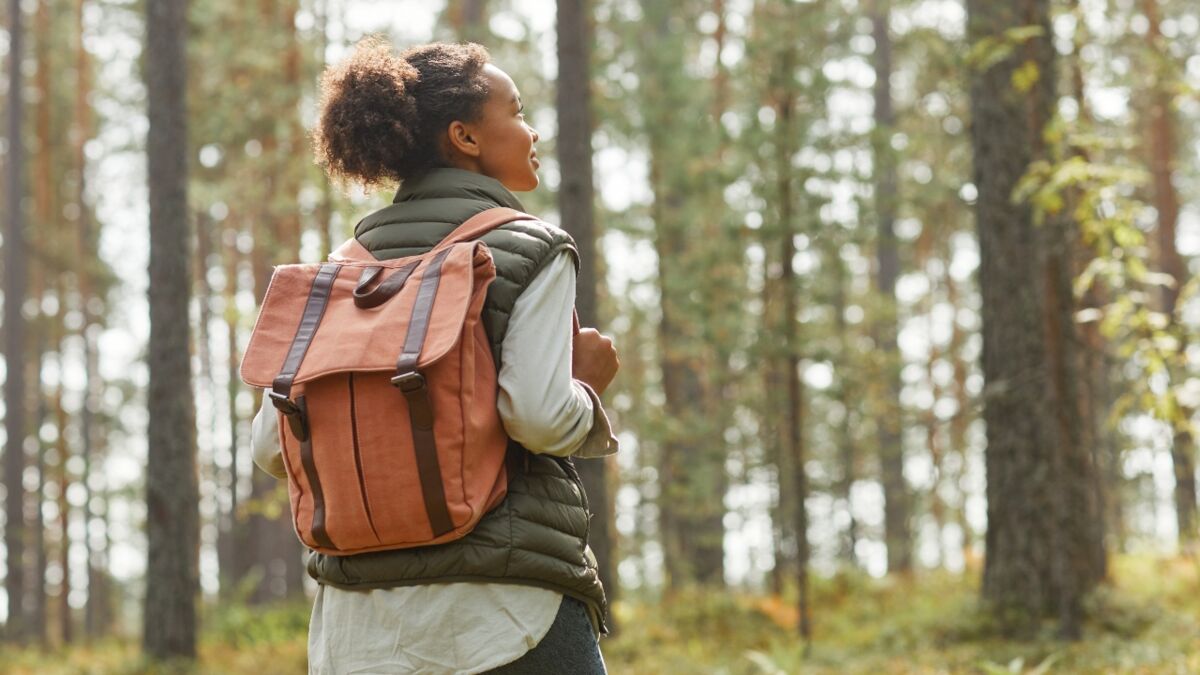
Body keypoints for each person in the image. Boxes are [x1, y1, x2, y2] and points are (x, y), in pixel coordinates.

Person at [250, 38, 620, 674]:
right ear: (465, 137)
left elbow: (269, 448)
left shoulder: (338, 274)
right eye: (518, 110)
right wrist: (585, 388)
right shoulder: (528, 247)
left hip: (356, 630)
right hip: (506, 617)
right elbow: (538, 417)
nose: (533, 130)